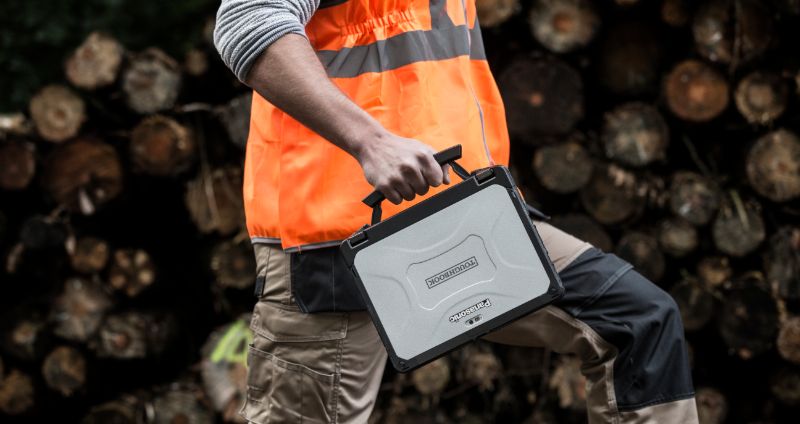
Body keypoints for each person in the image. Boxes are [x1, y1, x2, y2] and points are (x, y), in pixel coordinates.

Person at [213, 1, 699, 422]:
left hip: (467, 218)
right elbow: (247, 20)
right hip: (335, 245)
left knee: (638, 321)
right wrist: (370, 141)